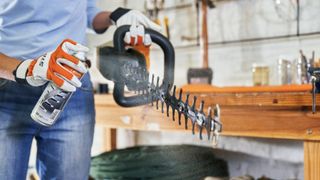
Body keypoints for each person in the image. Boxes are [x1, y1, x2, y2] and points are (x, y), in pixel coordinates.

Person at [0, 1, 160, 179]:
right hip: (9, 87)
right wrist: (25, 69)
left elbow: (89, 13)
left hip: (72, 89)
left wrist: (116, 16)